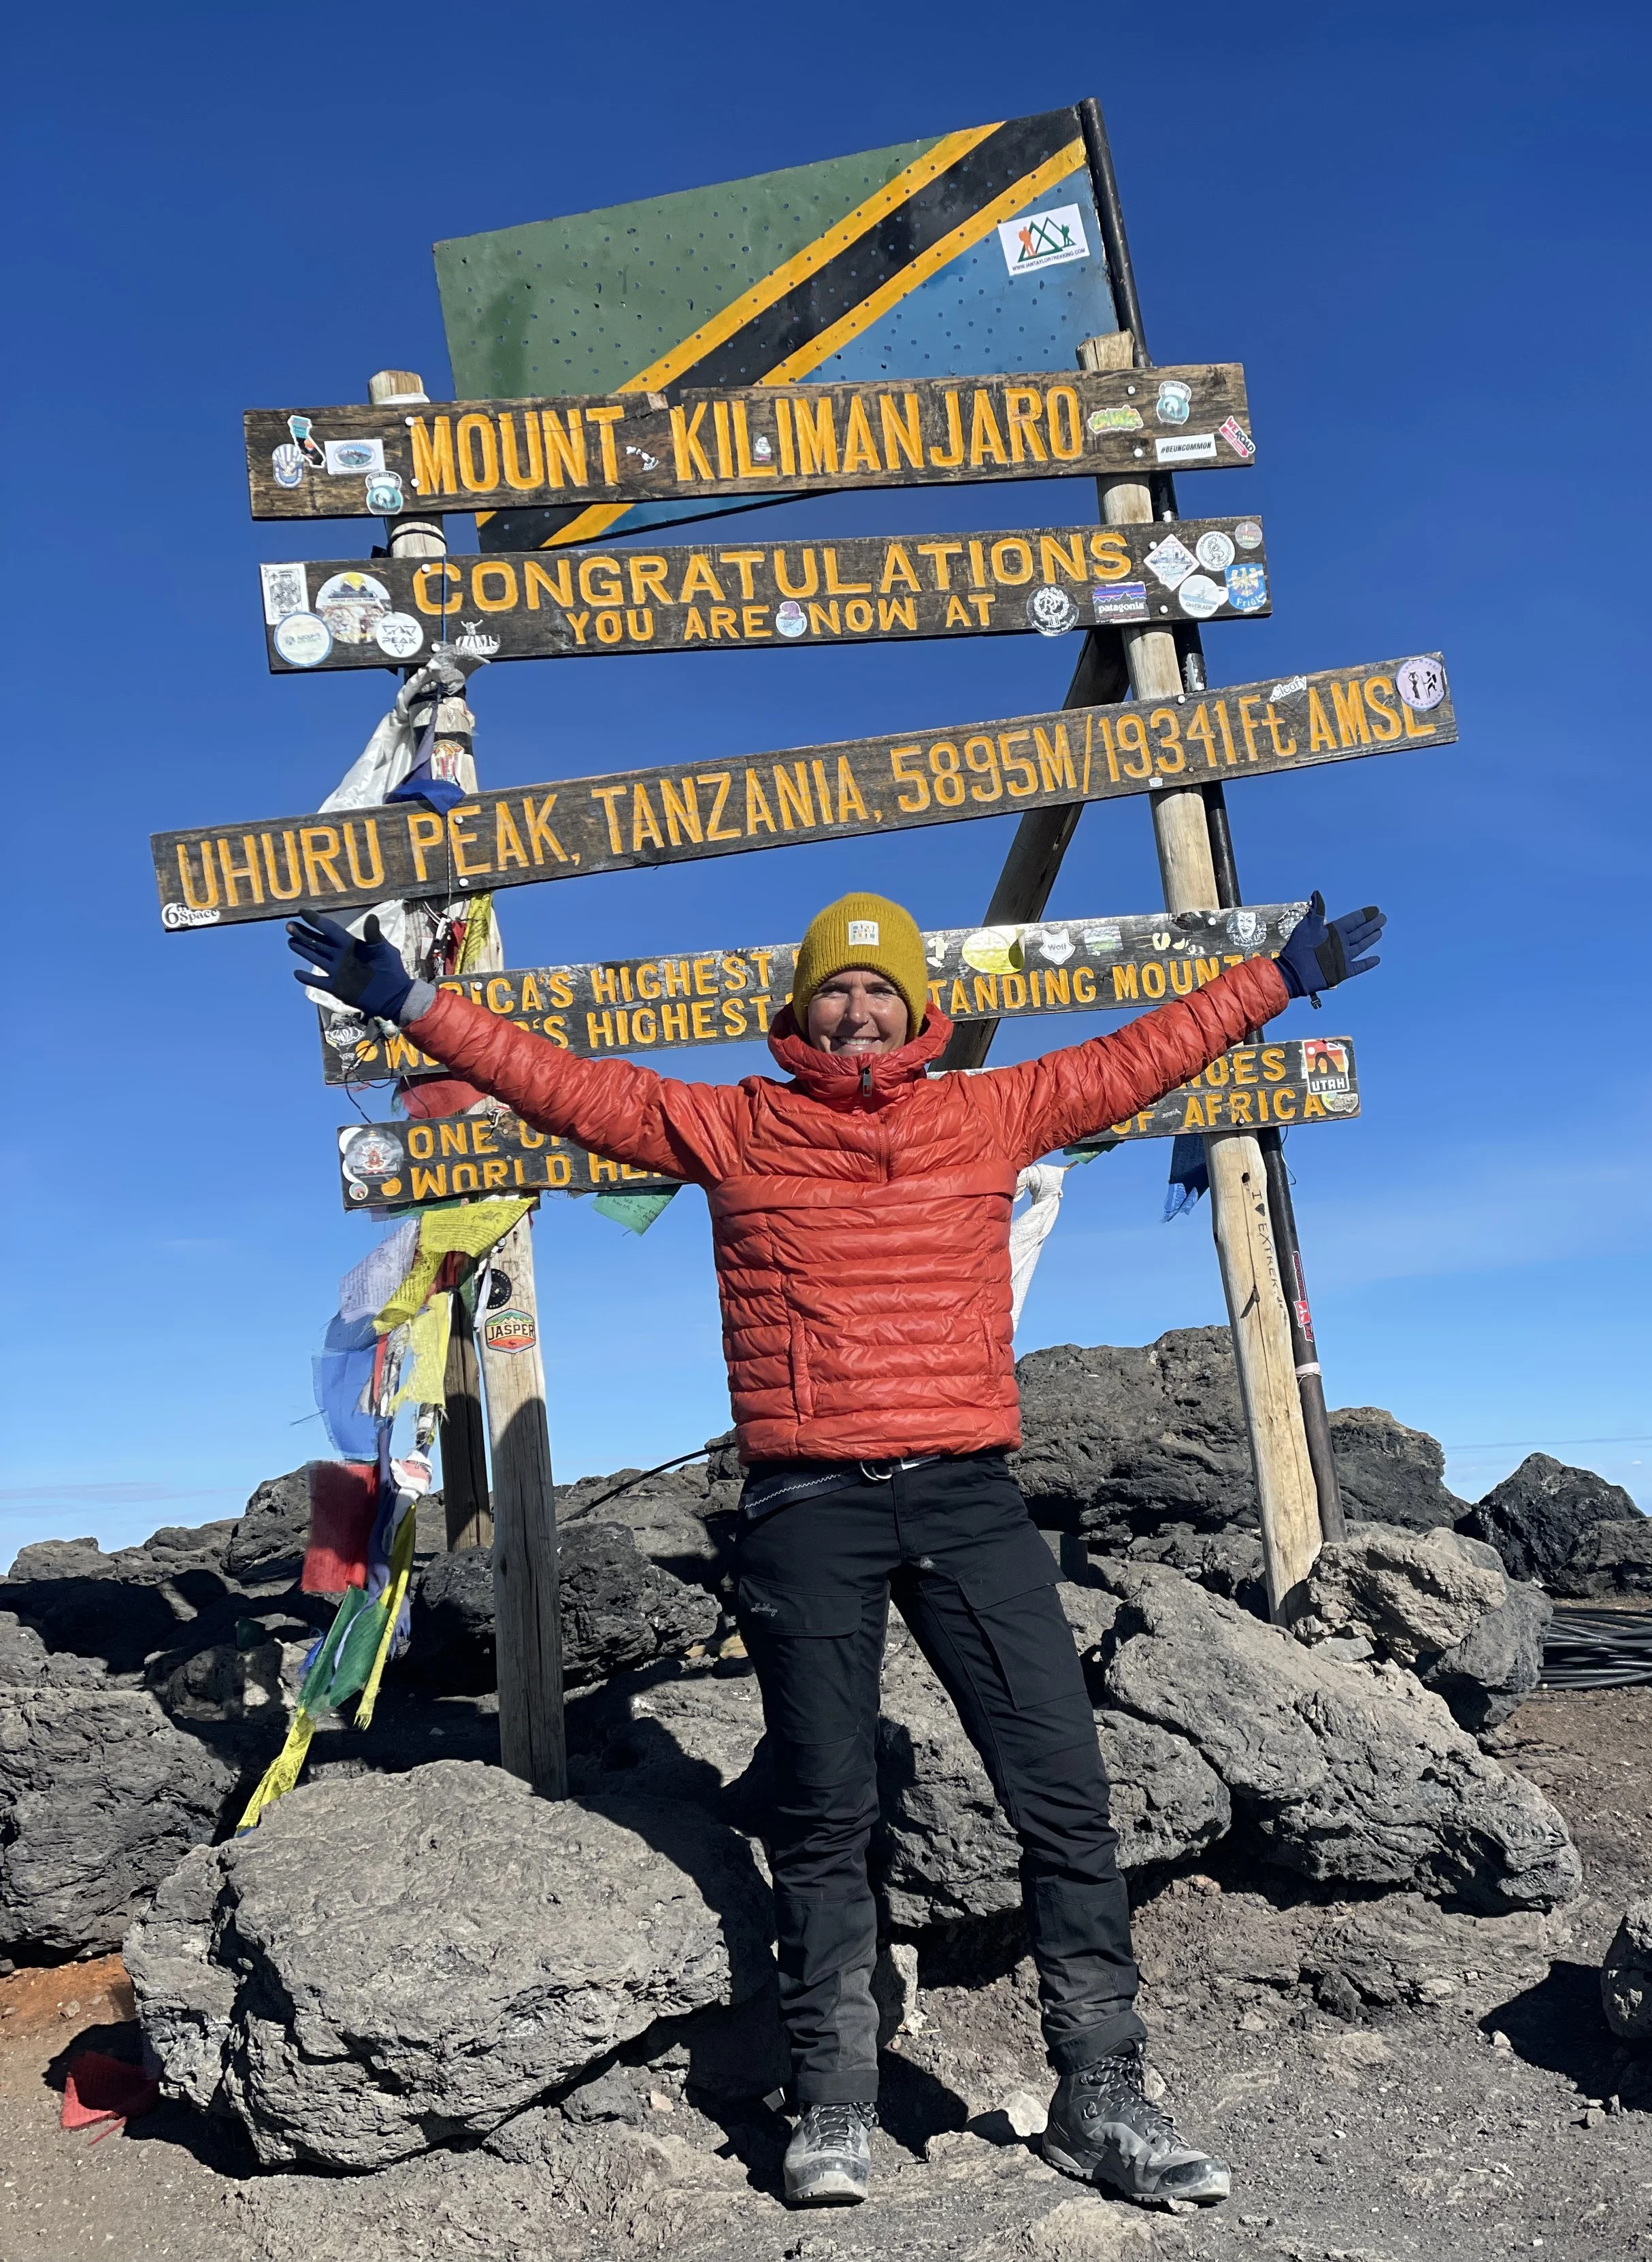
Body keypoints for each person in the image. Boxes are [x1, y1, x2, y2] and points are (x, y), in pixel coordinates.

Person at [287, 886, 1385, 2211]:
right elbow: (565, 1086)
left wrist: (1275, 981)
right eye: (834, 988)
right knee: (822, 1812)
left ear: (916, 1009)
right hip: (809, 1510)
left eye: (880, 988)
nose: (857, 1009)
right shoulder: (732, 1124)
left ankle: (1103, 2090)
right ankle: (834, 2099)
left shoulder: (990, 1111)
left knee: (1062, 1792)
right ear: (798, 1007)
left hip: (970, 1499)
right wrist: (410, 1001)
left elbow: (1138, 1054)